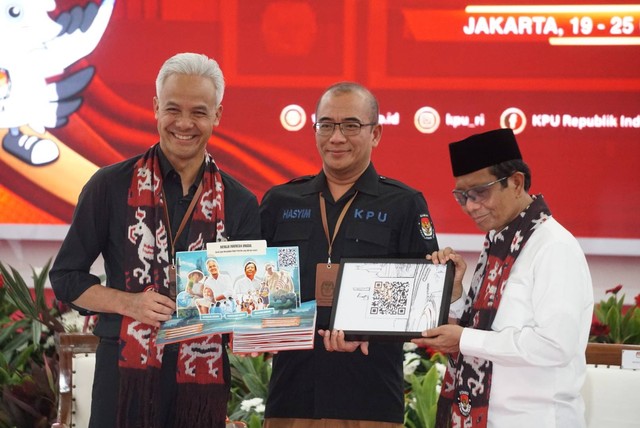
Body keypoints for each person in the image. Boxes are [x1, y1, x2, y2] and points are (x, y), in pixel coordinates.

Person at [49, 52, 261, 428]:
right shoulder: (109, 185)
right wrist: (129, 304)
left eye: (198, 112)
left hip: (201, 378)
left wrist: (267, 318)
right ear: (155, 108)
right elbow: (67, 277)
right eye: (172, 109)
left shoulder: (239, 200)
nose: (183, 123)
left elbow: (249, 302)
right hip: (124, 374)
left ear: (217, 115)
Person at [260, 82, 439, 427]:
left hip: (368, 397)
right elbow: (254, 287)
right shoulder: (281, 202)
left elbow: (422, 299)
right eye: (326, 125)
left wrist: (365, 331)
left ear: (376, 134)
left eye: (351, 126)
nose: (336, 137)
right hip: (292, 395)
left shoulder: (404, 204)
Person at [412, 128, 593, 427]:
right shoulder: (499, 243)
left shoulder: (553, 246)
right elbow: (486, 325)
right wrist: (455, 293)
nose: (471, 206)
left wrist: (465, 340)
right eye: (462, 196)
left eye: (480, 193)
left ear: (516, 182)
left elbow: (554, 346)